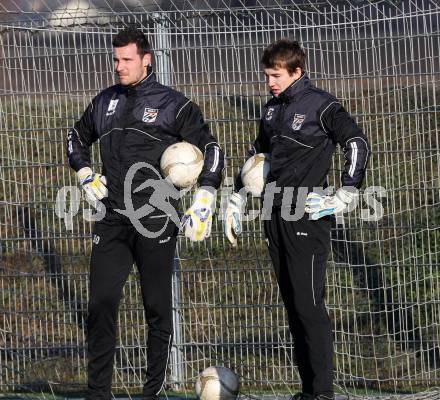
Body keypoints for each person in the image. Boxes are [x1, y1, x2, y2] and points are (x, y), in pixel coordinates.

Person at [67, 27, 224, 399]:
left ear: (146, 59)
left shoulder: (174, 104)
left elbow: (212, 149)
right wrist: (84, 171)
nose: (119, 67)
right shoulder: (103, 102)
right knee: (101, 302)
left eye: (126, 60)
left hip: (156, 220)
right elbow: (75, 137)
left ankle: (150, 392)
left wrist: (205, 195)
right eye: (116, 59)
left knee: (156, 308)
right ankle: (98, 393)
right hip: (112, 218)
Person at [224, 39, 369, 400]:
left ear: (296, 71)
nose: (270, 82)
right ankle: (307, 391)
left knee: (309, 305)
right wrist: (238, 197)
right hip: (274, 214)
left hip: (307, 214)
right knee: (292, 305)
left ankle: (322, 393)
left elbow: (356, 143)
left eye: (276, 75)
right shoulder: (271, 110)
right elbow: (257, 156)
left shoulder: (322, 105)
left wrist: (347, 191)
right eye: (266, 75)